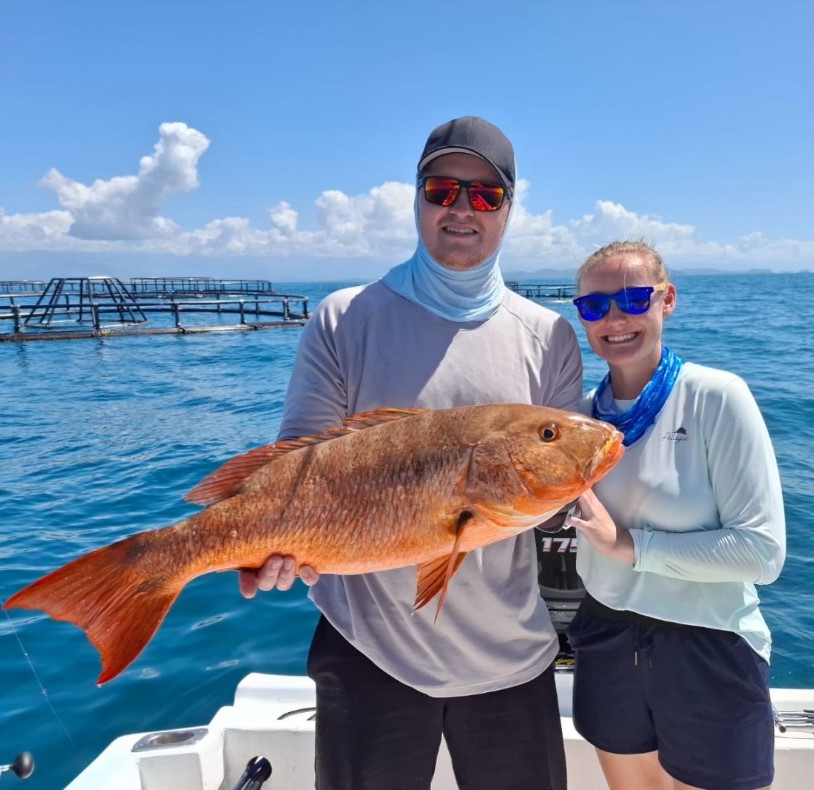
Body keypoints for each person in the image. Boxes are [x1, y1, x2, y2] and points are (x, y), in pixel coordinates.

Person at [240, 116, 583, 789]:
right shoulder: (343, 317)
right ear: (416, 196)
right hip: (367, 652)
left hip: (510, 656)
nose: (462, 209)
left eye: (485, 195)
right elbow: (293, 473)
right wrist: (270, 543)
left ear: (510, 208)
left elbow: (555, 496)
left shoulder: (549, 336)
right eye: (442, 189)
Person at [565, 240, 786, 790]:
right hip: (606, 633)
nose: (614, 319)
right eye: (594, 307)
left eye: (634, 298)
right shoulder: (577, 423)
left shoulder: (717, 396)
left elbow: (762, 553)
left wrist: (628, 546)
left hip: (708, 642)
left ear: (667, 301)